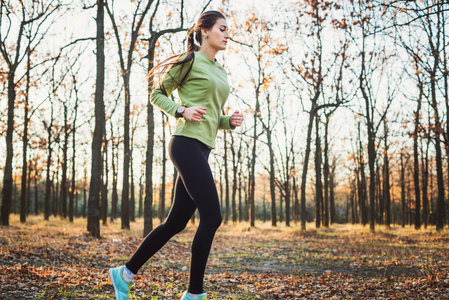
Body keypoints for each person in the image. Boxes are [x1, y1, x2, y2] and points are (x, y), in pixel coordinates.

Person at [109, 10, 244, 300]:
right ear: (205, 31)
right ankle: (194, 294)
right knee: (212, 216)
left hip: (203, 147)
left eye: (228, 30)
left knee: (177, 222)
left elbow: (209, 115)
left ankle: (125, 273)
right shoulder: (189, 60)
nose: (227, 34)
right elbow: (157, 94)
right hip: (184, 143)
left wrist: (226, 121)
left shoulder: (219, 70)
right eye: (222, 28)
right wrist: (181, 110)